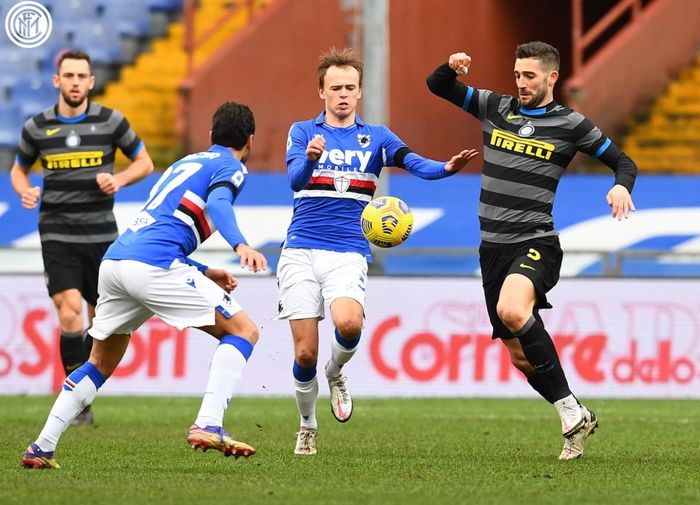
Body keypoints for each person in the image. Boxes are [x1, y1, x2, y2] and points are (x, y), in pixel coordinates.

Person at [20, 101, 267, 469]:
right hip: (153, 266)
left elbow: (160, 229)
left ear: (212, 135)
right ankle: (209, 422)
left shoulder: (185, 163)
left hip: (117, 262)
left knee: (99, 362)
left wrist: (201, 269)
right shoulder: (232, 167)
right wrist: (240, 244)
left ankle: (42, 446)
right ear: (250, 140)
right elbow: (218, 203)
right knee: (243, 331)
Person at [426, 41, 637, 460]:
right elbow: (438, 85)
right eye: (517, 75)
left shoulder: (571, 124)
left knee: (512, 310)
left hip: (536, 241)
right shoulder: (494, 107)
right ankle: (575, 411)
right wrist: (451, 66)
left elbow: (624, 161)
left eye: (530, 76)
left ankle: (569, 413)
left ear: (552, 77)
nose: (521, 83)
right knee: (521, 359)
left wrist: (619, 185)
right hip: (492, 249)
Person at [280, 47, 479, 455]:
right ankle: (307, 424)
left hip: (348, 249)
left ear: (360, 92)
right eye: (335, 87)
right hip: (300, 249)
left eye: (350, 88)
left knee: (349, 325)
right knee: (304, 351)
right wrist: (311, 159)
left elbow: (413, 162)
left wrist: (445, 168)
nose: (342, 95)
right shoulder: (303, 132)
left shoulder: (378, 138)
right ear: (321, 91)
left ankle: (335, 373)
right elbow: (295, 181)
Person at [10, 50, 154, 425]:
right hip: (57, 233)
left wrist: (119, 179)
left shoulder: (111, 122)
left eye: (82, 76)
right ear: (57, 81)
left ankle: (84, 387)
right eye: (68, 75)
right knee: (70, 312)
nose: (75, 82)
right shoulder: (37, 127)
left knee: (101, 321)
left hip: (102, 235)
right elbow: (18, 170)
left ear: (91, 82)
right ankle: (78, 405)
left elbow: (145, 161)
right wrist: (24, 189)